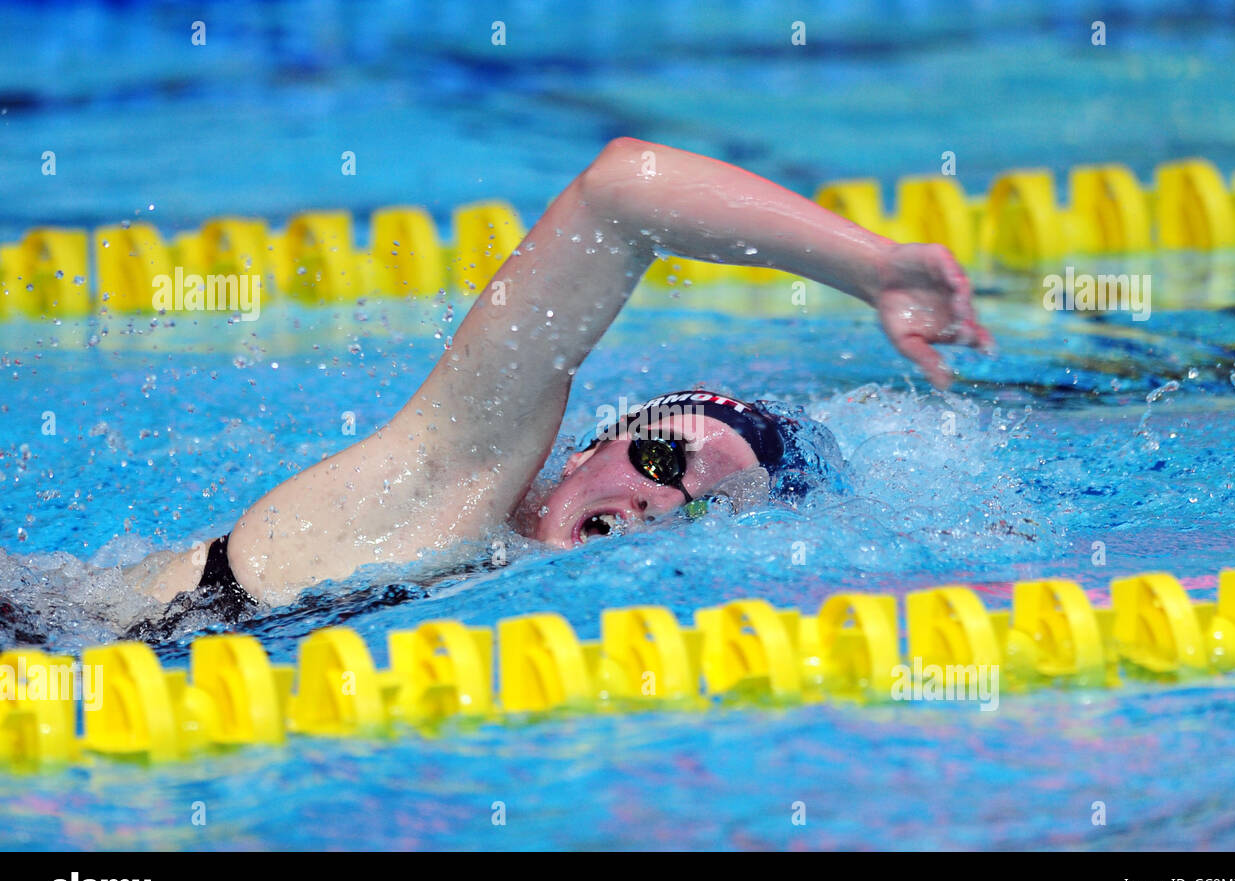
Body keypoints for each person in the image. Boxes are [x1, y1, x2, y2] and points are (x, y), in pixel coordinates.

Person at [125, 137, 991, 617]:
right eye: (662, 463)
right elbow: (620, 193)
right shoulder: (441, 492)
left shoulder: (518, 600)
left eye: (707, 514)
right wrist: (873, 269)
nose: (665, 504)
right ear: (582, 453)